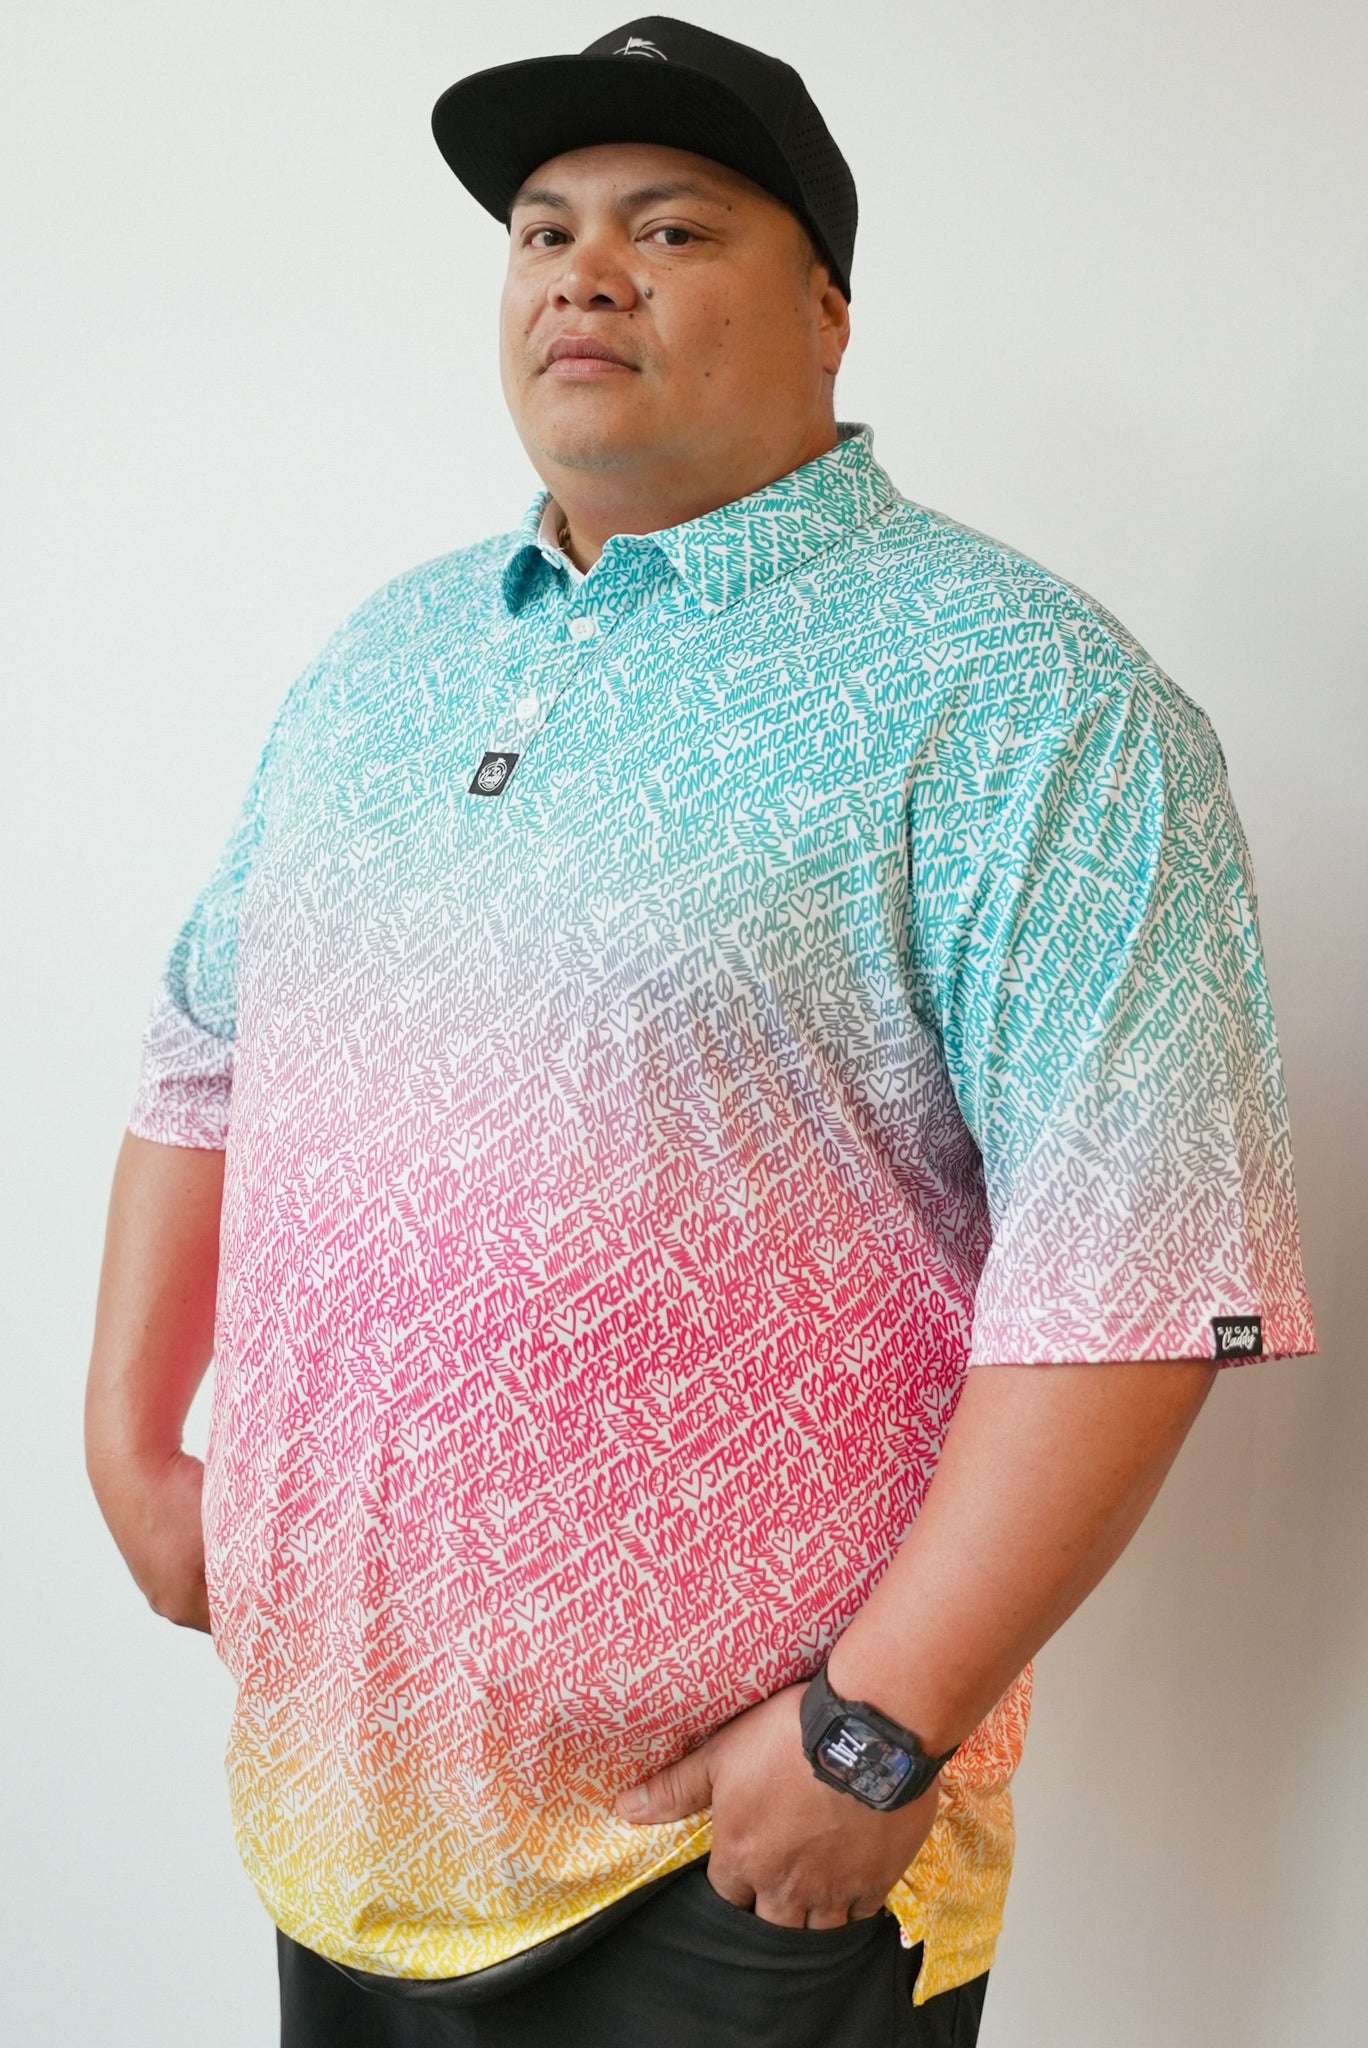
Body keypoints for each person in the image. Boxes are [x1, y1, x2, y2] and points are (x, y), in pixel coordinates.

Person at [84, 17, 1316, 2047]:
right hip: (336, 1804)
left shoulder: (1027, 696)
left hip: (731, 1858)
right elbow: (204, 1050)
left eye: (669, 228)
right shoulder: (385, 659)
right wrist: (132, 1446)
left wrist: (876, 1730)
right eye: (543, 230)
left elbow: (1138, 1257)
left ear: (829, 310)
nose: (585, 271)